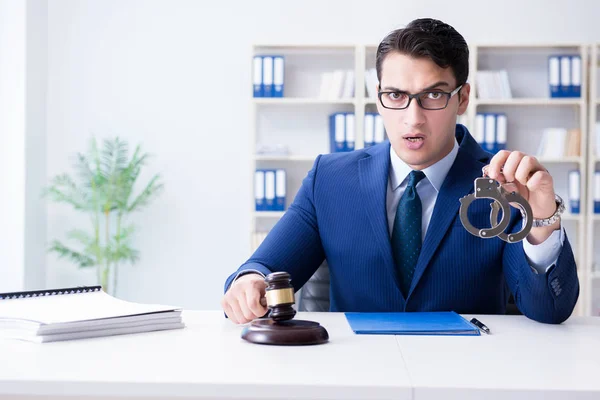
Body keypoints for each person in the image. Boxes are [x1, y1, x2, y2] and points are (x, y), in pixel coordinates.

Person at [222, 18, 579, 325]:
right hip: (356, 375)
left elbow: (550, 309)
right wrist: (249, 282)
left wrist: (541, 221)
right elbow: (263, 267)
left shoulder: (505, 185)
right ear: (378, 95)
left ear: (463, 98)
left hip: (465, 376)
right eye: (395, 95)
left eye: (434, 96)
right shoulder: (330, 180)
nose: (413, 117)